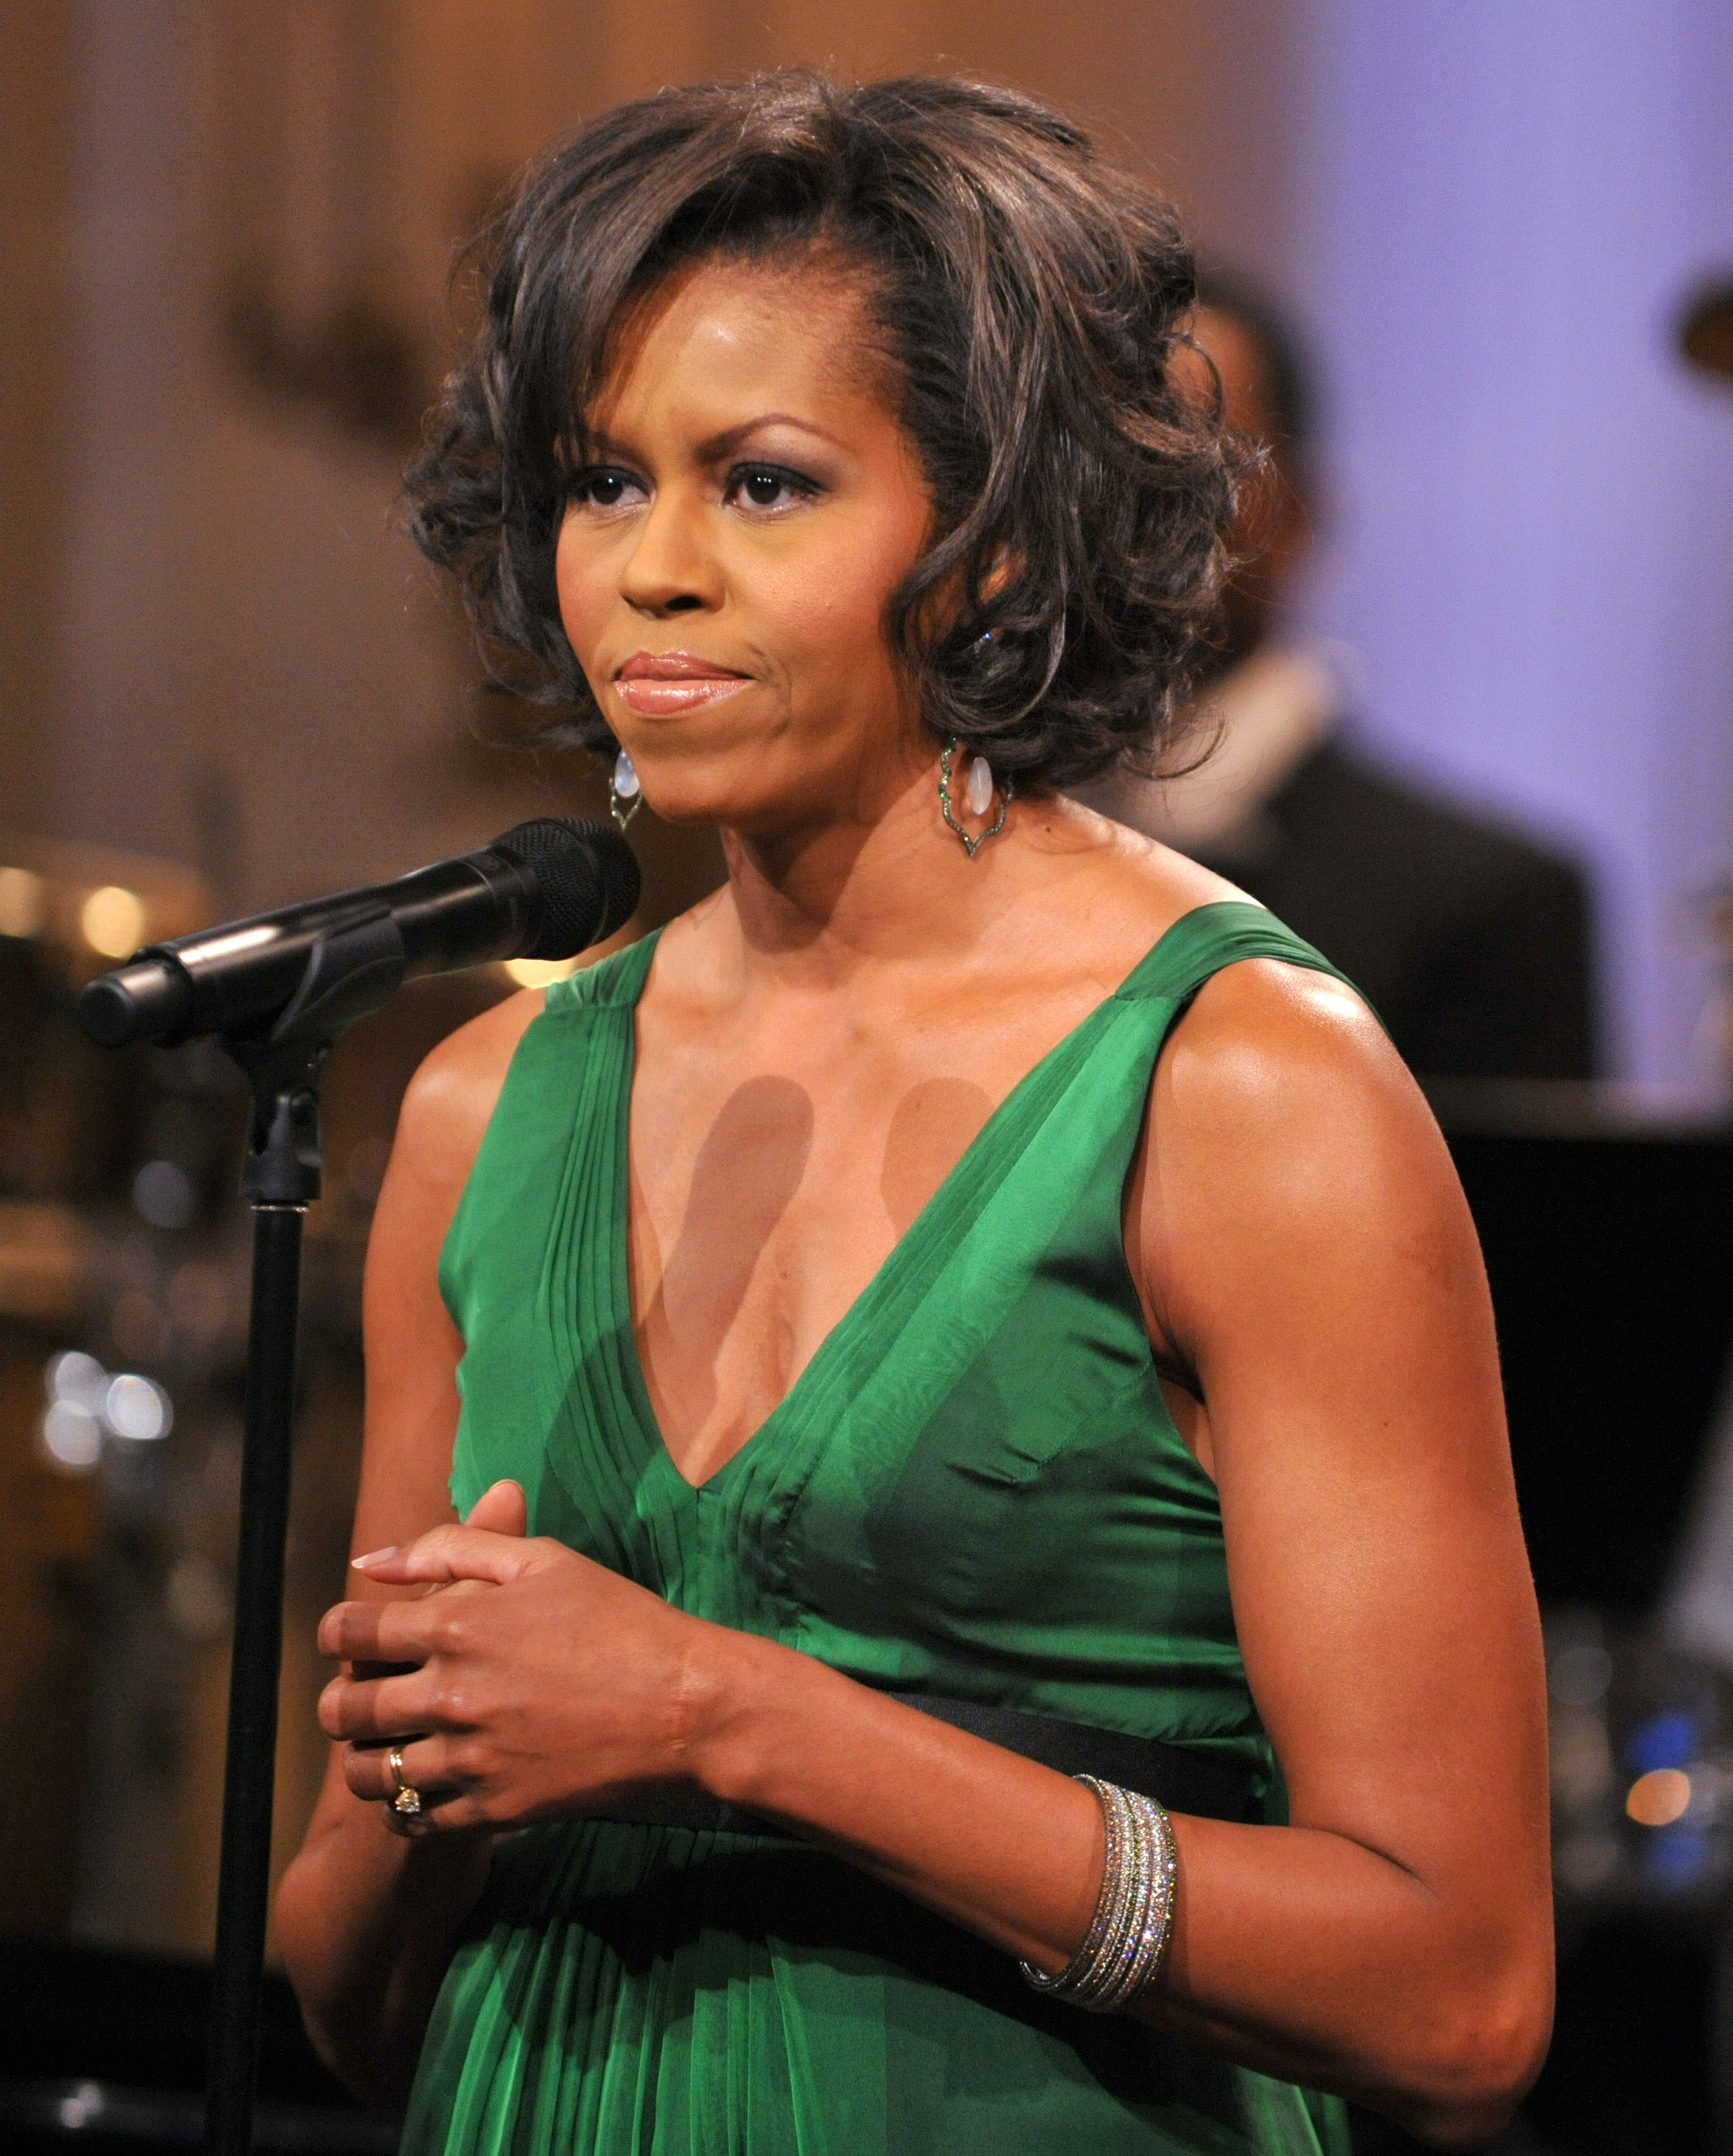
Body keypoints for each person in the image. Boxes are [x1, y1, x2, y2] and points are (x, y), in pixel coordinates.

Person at [274, 73, 1552, 2156]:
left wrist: (722, 1720)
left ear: (995, 536)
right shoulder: (482, 1105)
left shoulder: (1239, 1094)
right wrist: (430, 1769)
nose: (651, 574)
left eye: (762, 486)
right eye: (604, 484)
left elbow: (1459, 1993)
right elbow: (344, 1983)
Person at [1081, 269, 1598, 1084]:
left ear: (1301, 514)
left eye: (1197, 455)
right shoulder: (944, 851)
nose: (1138, 502)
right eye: (1100, 451)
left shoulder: (1487, 907)